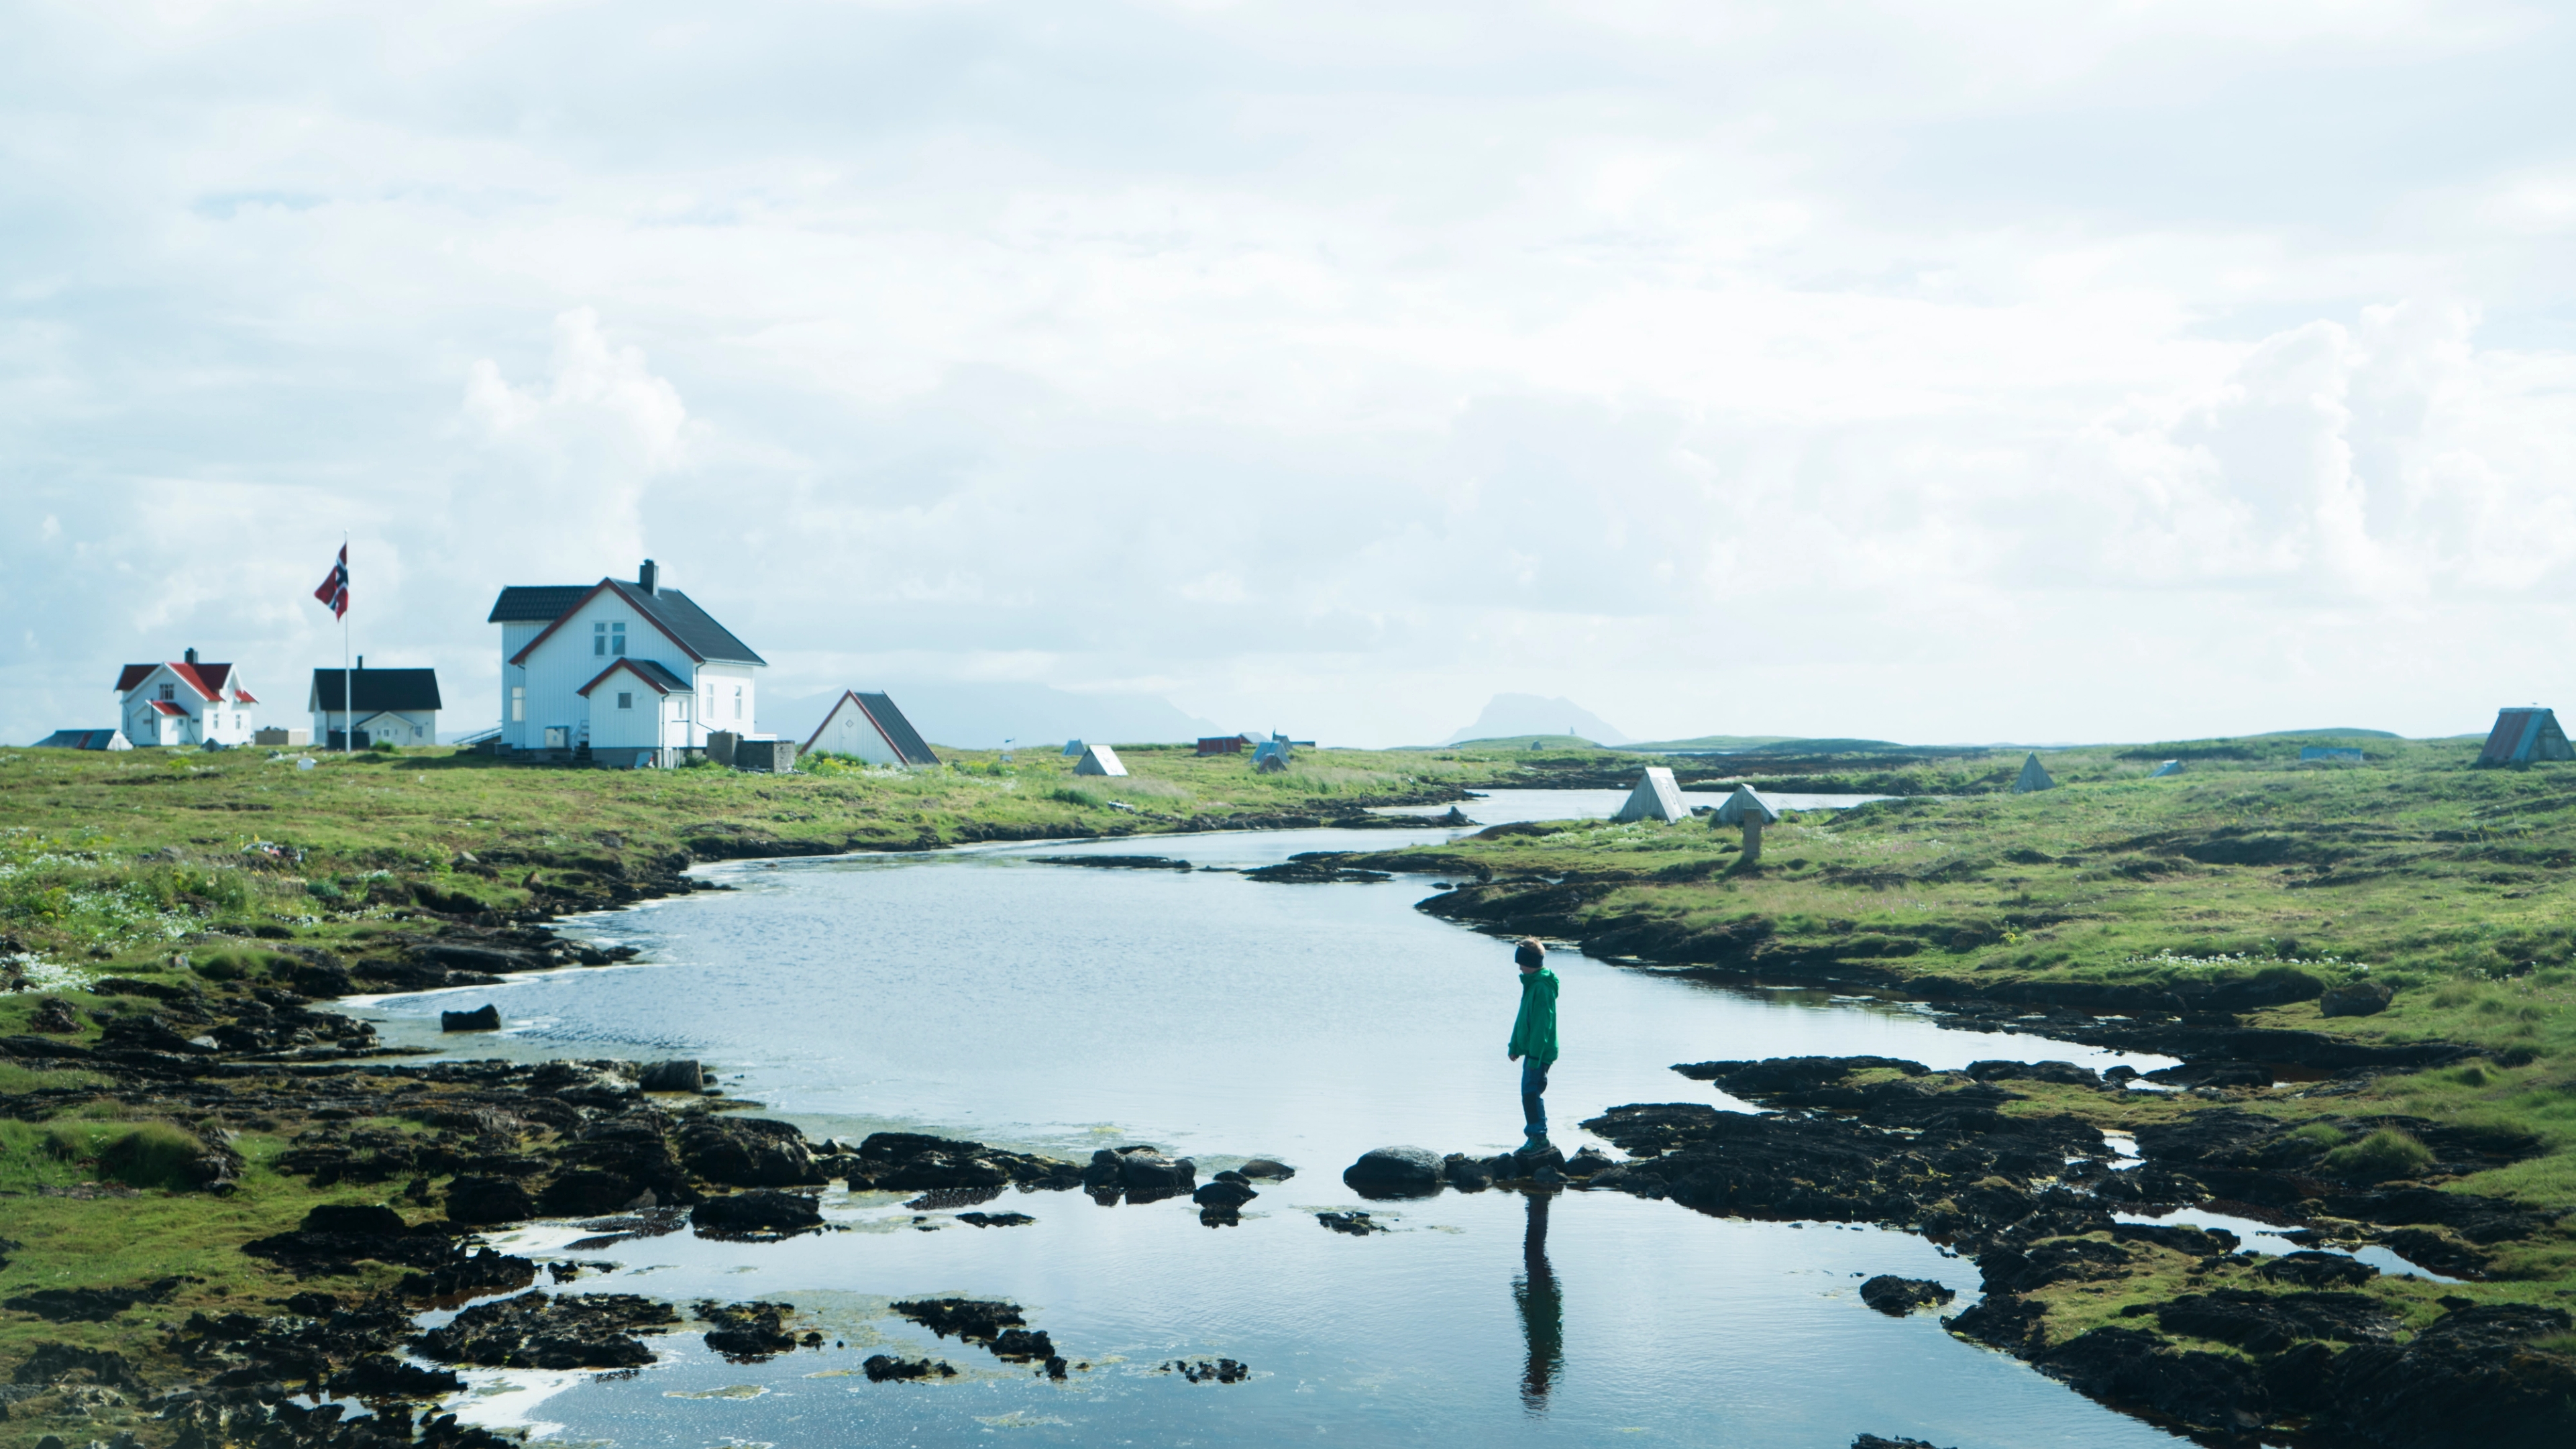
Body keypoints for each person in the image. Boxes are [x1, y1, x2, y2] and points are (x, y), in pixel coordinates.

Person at [1506, 936, 1558, 1150]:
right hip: (1533, 1052)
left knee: (1531, 1092)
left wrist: (1535, 1057)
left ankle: (1539, 1138)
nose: (1519, 967)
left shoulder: (1542, 988)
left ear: (1532, 963)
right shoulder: (1531, 984)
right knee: (1529, 1091)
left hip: (1540, 1053)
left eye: (1522, 963)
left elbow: (1541, 1026)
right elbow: (1523, 1019)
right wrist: (1514, 1046)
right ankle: (1536, 1136)